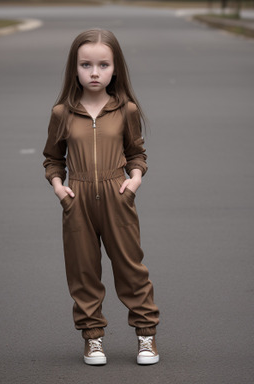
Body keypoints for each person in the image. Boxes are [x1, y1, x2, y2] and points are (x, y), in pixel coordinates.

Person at [43, 29, 159, 366]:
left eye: (103, 64)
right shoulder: (62, 113)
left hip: (116, 196)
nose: (94, 72)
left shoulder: (126, 110)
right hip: (76, 199)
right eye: (86, 64)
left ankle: (146, 335)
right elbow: (53, 157)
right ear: (74, 68)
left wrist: (134, 181)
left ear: (115, 68)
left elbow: (137, 153)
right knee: (83, 272)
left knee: (130, 269)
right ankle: (93, 338)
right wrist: (58, 186)